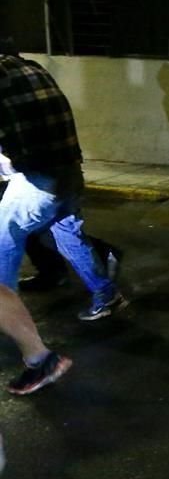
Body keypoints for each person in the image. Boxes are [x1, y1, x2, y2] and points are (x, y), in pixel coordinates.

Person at [0, 50, 129, 392]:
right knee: (69, 234)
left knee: (4, 238)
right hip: (69, 170)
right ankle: (106, 294)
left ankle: (12, 321)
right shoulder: (29, 67)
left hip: (37, 178)